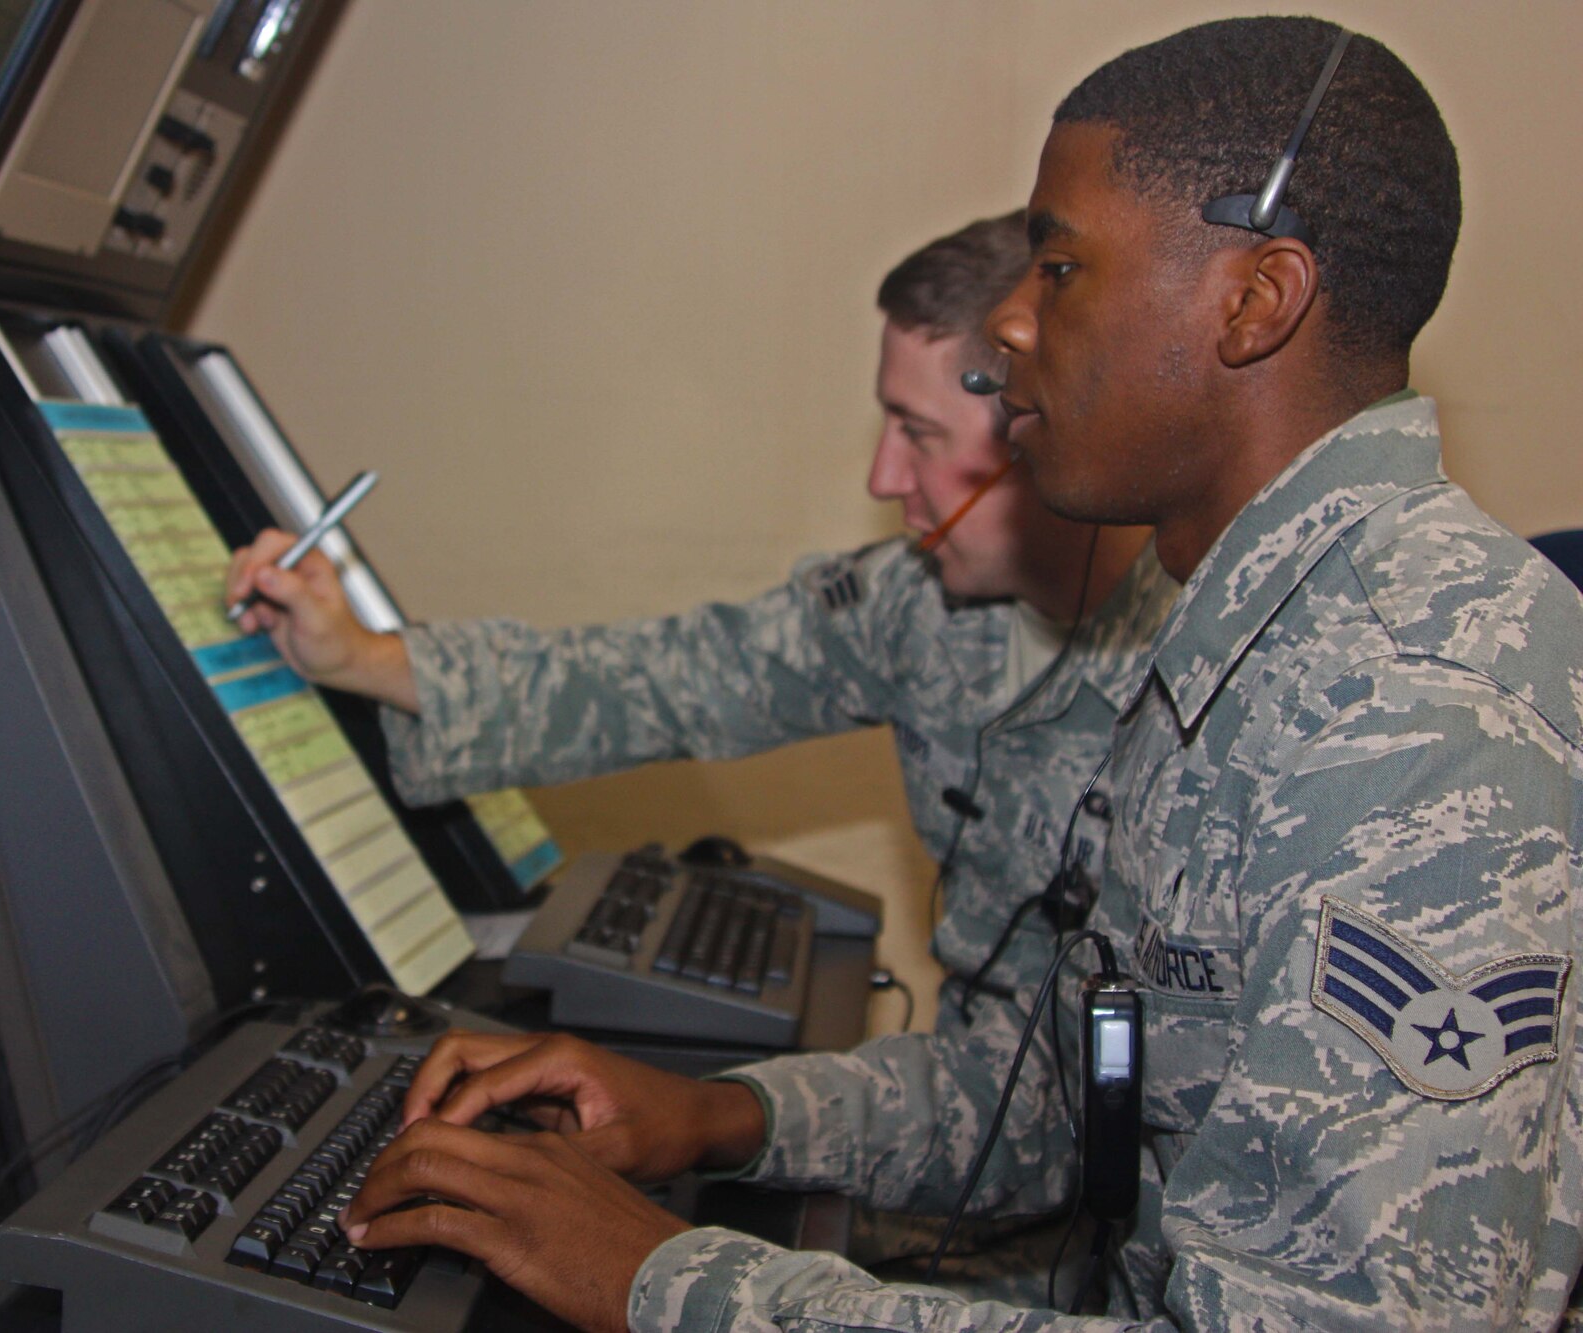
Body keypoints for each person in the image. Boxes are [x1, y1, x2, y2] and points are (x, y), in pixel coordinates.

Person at [333, 17, 1583, 1330]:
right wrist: (727, 1112)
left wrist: (666, 1282)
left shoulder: (1417, 706)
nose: (1007, 322)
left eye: (1060, 265)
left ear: (1253, 299)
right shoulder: (1255, 634)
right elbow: (1082, 1095)